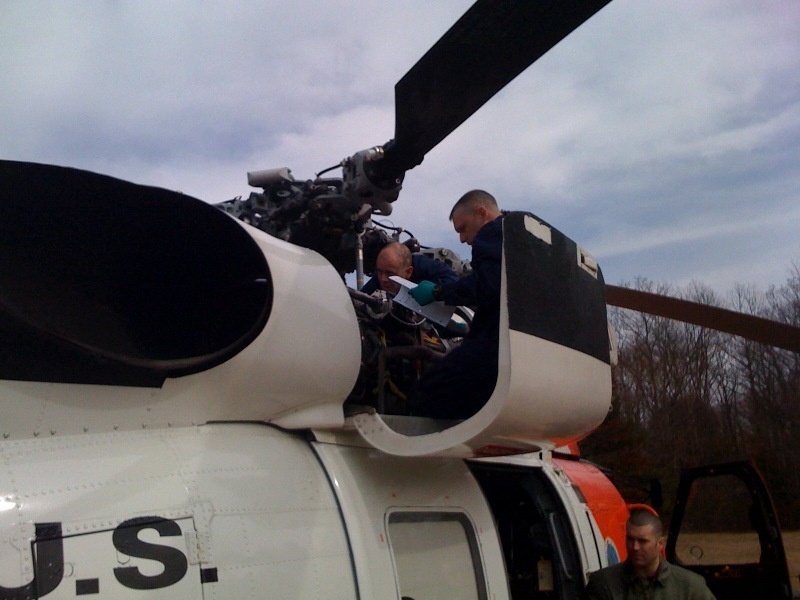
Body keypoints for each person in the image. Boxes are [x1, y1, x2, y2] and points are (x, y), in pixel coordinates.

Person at [405, 189, 504, 419]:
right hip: (516, 354)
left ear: (482, 213)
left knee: (422, 396)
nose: (462, 239)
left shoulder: (491, 233)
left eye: (463, 228)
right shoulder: (522, 236)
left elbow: (486, 285)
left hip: (490, 350)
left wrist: (438, 291)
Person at [585, 509, 716, 600]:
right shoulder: (604, 584)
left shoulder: (690, 587)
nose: (635, 547)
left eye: (643, 541)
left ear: (660, 544)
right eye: (630, 539)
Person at [360, 242, 458, 296]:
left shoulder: (426, 267)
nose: (383, 279)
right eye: (379, 272)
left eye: (390, 273)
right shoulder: (381, 277)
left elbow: (454, 283)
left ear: (408, 272)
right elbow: (360, 299)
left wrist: (435, 291)